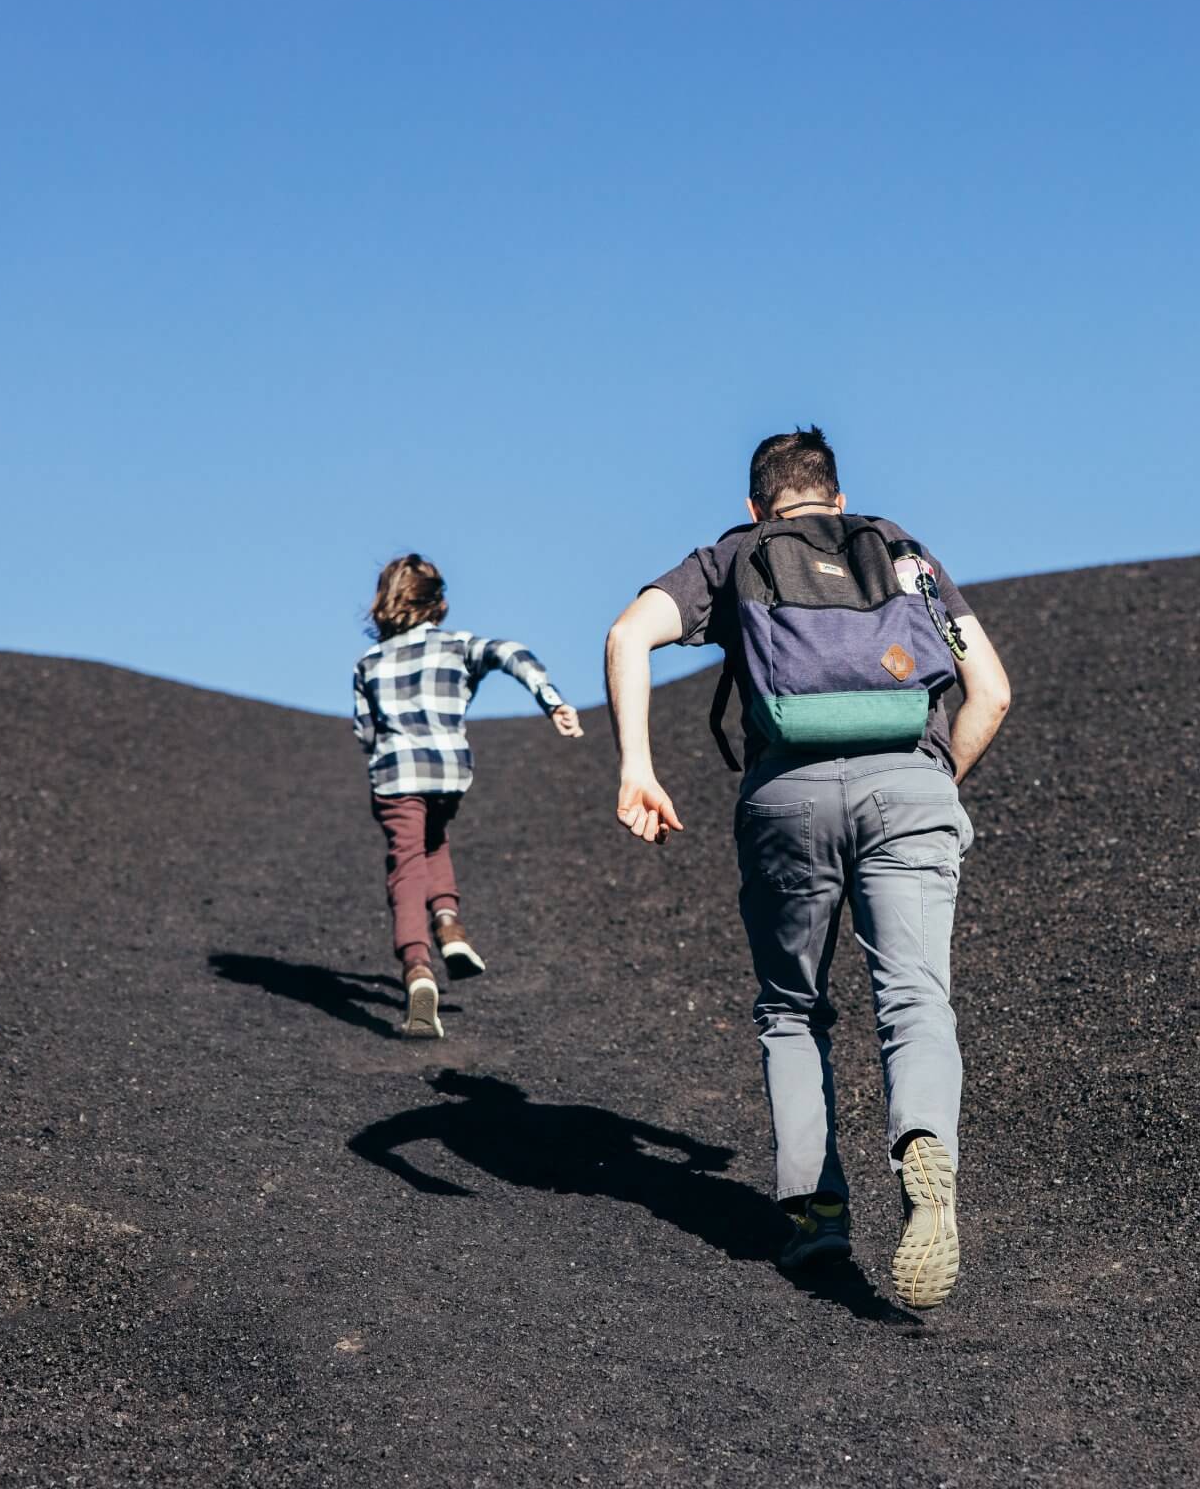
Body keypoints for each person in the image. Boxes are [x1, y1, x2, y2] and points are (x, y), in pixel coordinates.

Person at [601, 428, 1012, 1308]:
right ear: (837, 492)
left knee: (793, 1009)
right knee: (913, 995)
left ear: (758, 505)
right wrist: (930, 784)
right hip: (909, 783)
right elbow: (994, 691)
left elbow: (627, 635)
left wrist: (637, 764)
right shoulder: (899, 548)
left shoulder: (736, 553)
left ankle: (815, 1212)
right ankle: (924, 1143)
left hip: (785, 796)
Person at [353, 553, 582, 1038]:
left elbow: (364, 731)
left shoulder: (369, 663)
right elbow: (510, 652)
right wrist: (550, 698)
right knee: (434, 842)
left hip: (397, 775)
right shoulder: (458, 645)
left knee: (407, 861)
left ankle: (417, 968)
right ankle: (450, 924)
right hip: (448, 771)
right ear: (438, 604)